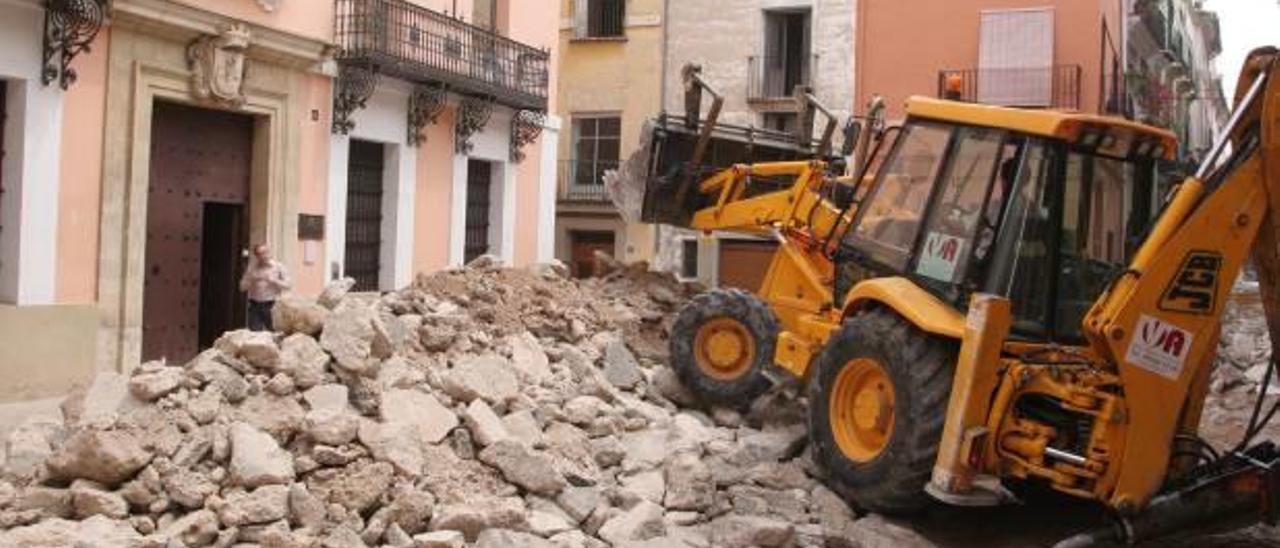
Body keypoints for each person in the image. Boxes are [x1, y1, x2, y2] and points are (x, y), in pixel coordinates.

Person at [239, 243, 290, 332]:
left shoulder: (278, 267)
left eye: (265, 252)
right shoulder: (252, 268)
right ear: (256, 256)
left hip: (272, 305)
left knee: (274, 332)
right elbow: (242, 287)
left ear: (269, 253)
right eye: (259, 254)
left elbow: (288, 286)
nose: (263, 256)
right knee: (255, 334)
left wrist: (274, 281)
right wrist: (251, 280)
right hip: (255, 305)